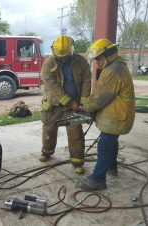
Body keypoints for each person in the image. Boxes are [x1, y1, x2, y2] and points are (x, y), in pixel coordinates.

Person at [78, 39, 135, 190]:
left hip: (116, 116)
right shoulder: (118, 66)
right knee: (111, 142)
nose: (97, 61)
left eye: (98, 58)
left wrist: (87, 106)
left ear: (107, 55)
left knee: (104, 144)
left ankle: (98, 179)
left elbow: (101, 97)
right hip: (120, 114)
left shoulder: (112, 71)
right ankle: (111, 167)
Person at [39, 35, 91, 174]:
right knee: (49, 128)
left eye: (65, 56)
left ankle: (77, 161)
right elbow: (51, 85)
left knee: (75, 131)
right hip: (53, 103)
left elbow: (86, 81)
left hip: (74, 104)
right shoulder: (48, 63)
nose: (63, 59)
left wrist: (84, 101)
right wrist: (69, 101)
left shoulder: (81, 62)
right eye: (60, 56)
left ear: (72, 50)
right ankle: (47, 151)